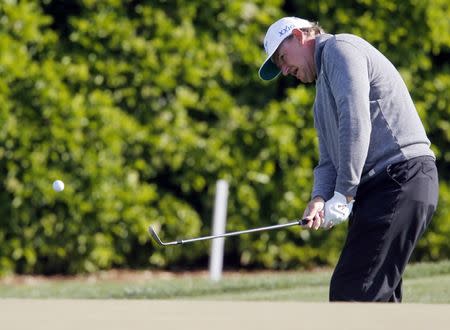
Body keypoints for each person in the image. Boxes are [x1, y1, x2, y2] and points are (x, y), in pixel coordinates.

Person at [258, 16, 439, 302]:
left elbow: (356, 121)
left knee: (351, 293)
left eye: (282, 57)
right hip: (382, 189)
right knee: (375, 299)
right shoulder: (321, 100)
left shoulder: (340, 49)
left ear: (298, 35)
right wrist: (320, 197)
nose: (283, 70)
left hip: (401, 178)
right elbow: (329, 161)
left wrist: (343, 195)